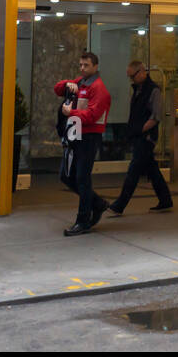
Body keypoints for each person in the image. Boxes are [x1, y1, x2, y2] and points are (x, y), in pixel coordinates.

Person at [54, 52, 112, 236]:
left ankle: (83, 220)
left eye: (86, 65)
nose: (82, 68)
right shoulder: (80, 83)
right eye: (80, 65)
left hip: (89, 137)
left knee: (81, 178)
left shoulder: (99, 88)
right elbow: (57, 89)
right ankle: (97, 204)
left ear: (95, 66)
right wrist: (66, 84)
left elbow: (93, 116)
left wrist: (70, 113)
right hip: (76, 133)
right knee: (66, 175)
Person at [108, 61, 173, 216]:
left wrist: (140, 129)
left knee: (134, 170)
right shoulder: (138, 89)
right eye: (130, 77)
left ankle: (120, 204)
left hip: (146, 137)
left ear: (142, 71)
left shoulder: (153, 90)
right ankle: (165, 200)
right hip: (139, 135)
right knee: (152, 170)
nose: (131, 80)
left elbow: (156, 116)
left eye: (133, 76)